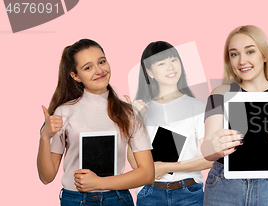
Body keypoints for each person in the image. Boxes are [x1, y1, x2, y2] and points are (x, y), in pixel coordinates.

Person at [36, 39, 154, 206]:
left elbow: (147, 173)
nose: (99, 70)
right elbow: (46, 177)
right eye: (88, 67)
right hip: (76, 200)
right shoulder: (64, 112)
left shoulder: (129, 113)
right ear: (75, 76)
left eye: (102, 61)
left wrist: (99, 183)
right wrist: (44, 137)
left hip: (118, 199)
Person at [201, 25, 268, 206]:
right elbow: (207, 149)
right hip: (224, 185)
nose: (241, 61)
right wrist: (214, 147)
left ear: (264, 55)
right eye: (234, 54)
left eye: (250, 52)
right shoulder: (221, 93)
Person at [126, 41, 212, 206]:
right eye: (162, 63)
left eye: (174, 60)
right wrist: (136, 121)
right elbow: (134, 163)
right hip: (150, 193)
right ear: (150, 72)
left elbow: (211, 159)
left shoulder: (198, 107)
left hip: (188, 193)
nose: (170, 67)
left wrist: (167, 167)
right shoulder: (142, 109)